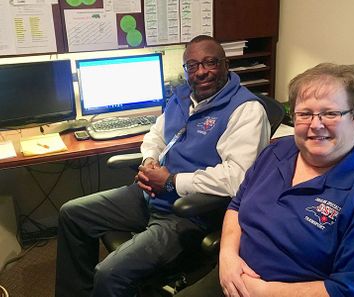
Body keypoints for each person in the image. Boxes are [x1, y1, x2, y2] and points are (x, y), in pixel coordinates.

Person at [55, 35, 270, 297]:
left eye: (210, 63)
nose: (201, 72)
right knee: (72, 214)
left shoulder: (245, 110)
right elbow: (155, 135)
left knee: (109, 273)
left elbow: (237, 178)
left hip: (187, 213)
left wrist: (171, 181)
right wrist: (149, 161)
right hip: (150, 194)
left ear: (226, 65)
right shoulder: (181, 98)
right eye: (192, 66)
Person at [175, 63, 354, 297]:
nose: (316, 124)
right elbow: (237, 206)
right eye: (305, 113)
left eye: (330, 113)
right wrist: (227, 257)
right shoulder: (277, 151)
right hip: (232, 277)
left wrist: (262, 291)